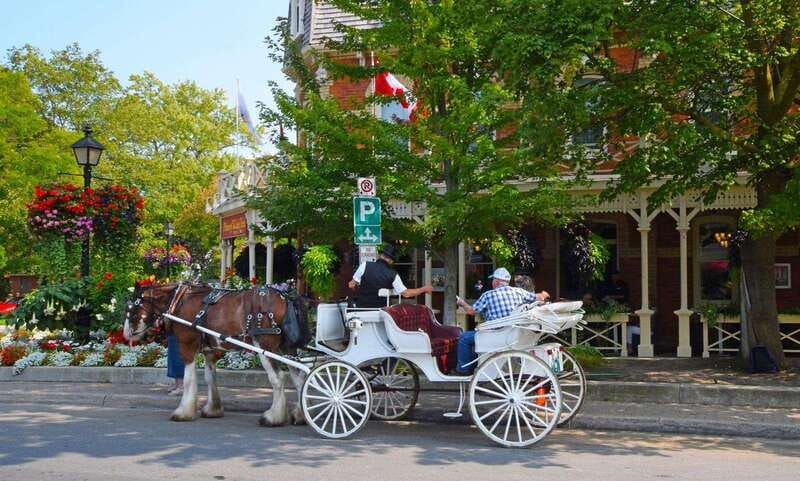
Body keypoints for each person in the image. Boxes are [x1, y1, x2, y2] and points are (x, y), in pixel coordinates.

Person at [455, 267, 550, 373]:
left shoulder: (488, 295)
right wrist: (544, 294)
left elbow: (471, 311)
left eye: (493, 279)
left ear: (496, 281)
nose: (492, 282)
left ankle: (463, 370)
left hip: (495, 335)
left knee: (464, 338)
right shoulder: (519, 292)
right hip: (515, 334)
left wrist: (461, 303)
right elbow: (538, 297)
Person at [348, 244, 433, 308]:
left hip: (362, 308)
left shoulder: (365, 265)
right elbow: (406, 294)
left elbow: (351, 285)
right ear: (391, 261)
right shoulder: (393, 274)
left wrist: (359, 287)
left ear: (380, 255)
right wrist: (423, 289)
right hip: (381, 310)